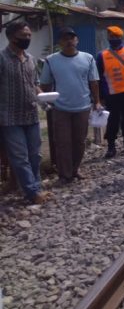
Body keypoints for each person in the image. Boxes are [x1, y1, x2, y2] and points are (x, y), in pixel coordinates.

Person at [40, 27, 101, 184]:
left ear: (77, 40)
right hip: (60, 108)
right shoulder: (51, 60)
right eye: (65, 39)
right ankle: (65, 174)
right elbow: (45, 84)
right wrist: (44, 100)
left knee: (79, 141)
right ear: (59, 42)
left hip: (82, 106)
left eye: (72, 38)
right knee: (63, 142)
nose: (69, 41)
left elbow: (93, 82)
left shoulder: (88, 58)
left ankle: (75, 170)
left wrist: (97, 101)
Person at [0, 21, 50, 204]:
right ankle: (32, 193)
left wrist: (44, 98)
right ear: (12, 37)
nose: (28, 39)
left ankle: (35, 187)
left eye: (29, 35)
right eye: (24, 36)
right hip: (9, 117)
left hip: (31, 114)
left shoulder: (30, 58)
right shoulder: (2, 59)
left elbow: (35, 83)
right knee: (19, 157)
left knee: (35, 155)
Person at [96, 26, 124, 158]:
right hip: (110, 94)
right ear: (108, 38)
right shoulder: (101, 56)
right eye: (111, 37)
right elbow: (98, 77)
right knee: (112, 121)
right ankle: (111, 147)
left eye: (116, 37)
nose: (113, 39)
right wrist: (100, 97)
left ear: (121, 38)